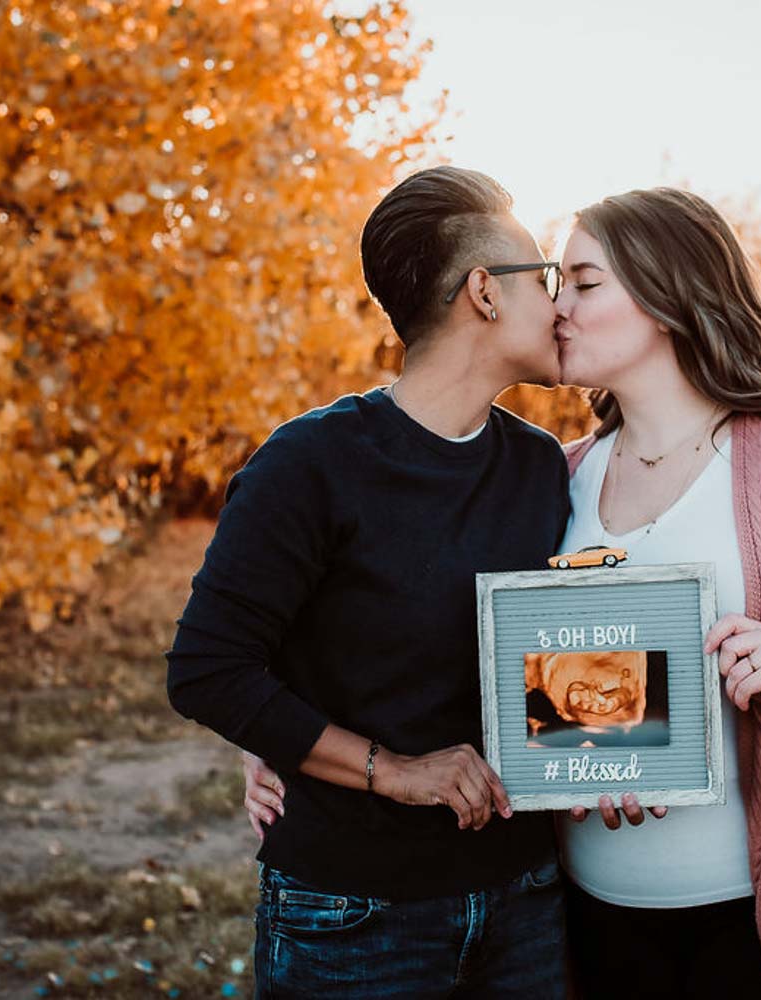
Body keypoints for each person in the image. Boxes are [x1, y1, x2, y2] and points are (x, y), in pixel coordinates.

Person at [243, 186, 761, 1000]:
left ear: (667, 297)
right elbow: (429, 635)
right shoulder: (560, 476)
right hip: (584, 917)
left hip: (758, 915)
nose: (557, 307)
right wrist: (291, 744)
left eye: (584, 283)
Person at [167, 165, 574, 999]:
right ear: (485, 293)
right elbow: (210, 669)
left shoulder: (540, 466)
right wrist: (391, 769)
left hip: (527, 900)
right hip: (352, 915)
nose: (562, 301)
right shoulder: (311, 465)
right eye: (547, 276)